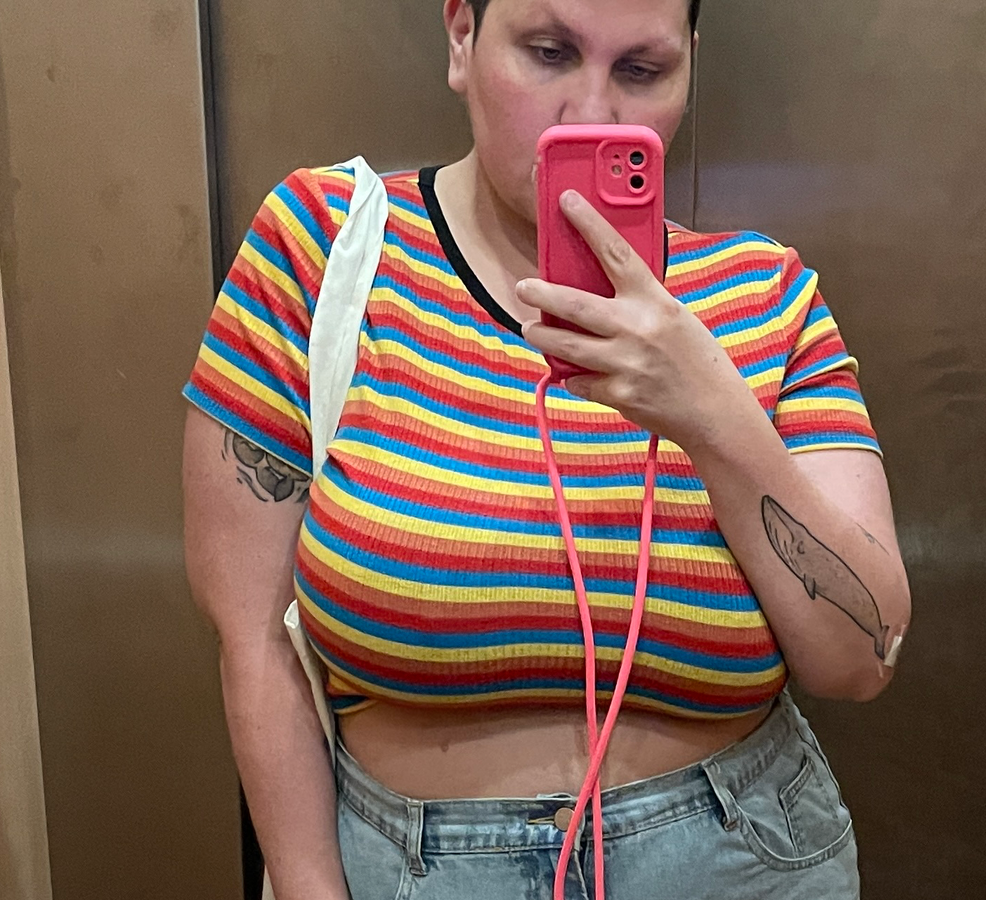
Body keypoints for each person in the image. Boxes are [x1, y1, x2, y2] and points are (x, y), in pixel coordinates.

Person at [181, 0, 912, 897]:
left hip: (740, 860)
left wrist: (713, 415)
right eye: (549, 51)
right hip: (420, 871)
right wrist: (307, 886)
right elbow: (253, 640)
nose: (592, 113)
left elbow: (861, 658)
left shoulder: (765, 295)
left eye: (641, 70)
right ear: (461, 37)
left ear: (690, 71)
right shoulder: (325, 249)